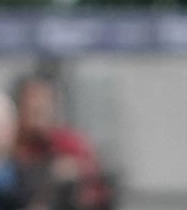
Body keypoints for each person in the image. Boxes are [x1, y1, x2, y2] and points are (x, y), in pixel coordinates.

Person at [12, 74, 112, 210]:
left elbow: (97, 191)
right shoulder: (12, 144)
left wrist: (75, 172)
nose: (38, 113)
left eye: (43, 107)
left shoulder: (71, 144)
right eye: (32, 107)